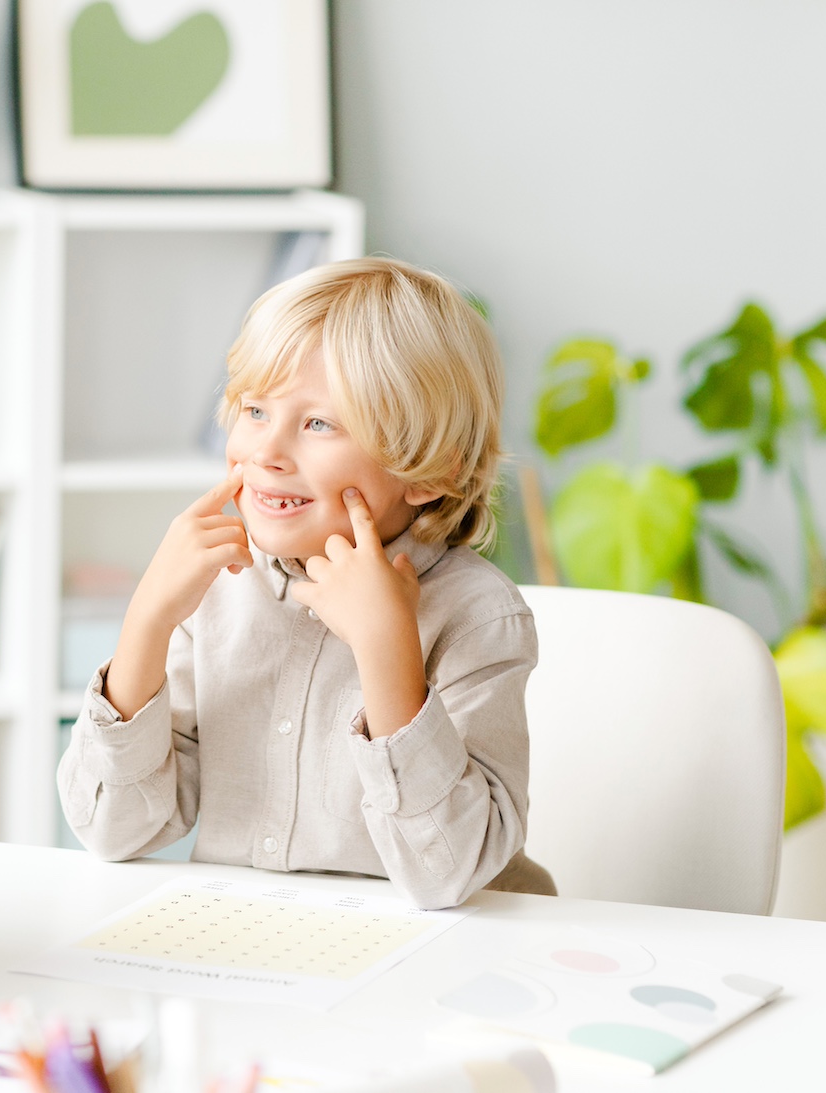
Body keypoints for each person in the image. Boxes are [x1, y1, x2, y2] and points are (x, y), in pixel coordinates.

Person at [58, 257, 556, 910]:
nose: (267, 452)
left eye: (319, 423)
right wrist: (147, 620)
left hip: (443, 962)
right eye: (255, 409)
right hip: (267, 951)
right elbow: (114, 830)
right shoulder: (215, 592)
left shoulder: (479, 619)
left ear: (429, 470)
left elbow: (449, 874)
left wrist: (386, 647)